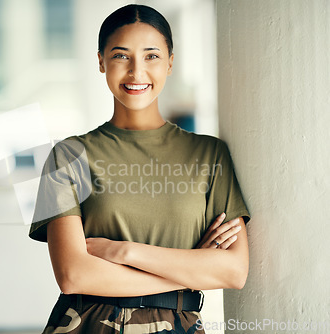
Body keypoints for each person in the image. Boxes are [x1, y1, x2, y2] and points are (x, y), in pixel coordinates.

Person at [29, 4, 250, 334]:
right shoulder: (66, 156)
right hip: (89, 325)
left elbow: (233, 272)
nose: (136, 72)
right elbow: (74, 275)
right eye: (121, 56)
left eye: (151, 56)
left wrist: (123, 251)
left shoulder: (209, 154)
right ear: (101, 61)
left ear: (170, 63)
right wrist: (190, 269)